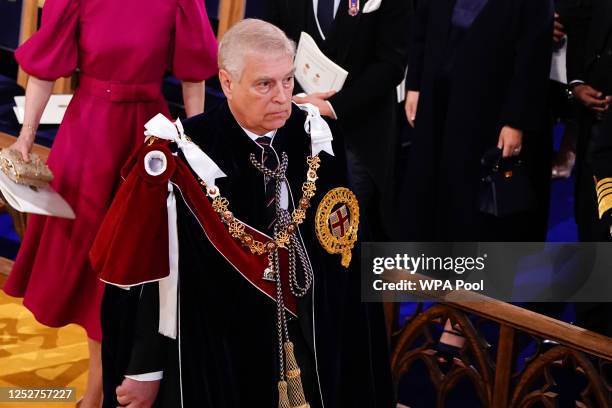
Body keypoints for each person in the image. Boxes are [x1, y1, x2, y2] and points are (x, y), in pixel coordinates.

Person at [91, 19, 394, 408]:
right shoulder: (183, 155)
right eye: (264, 84)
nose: (283, 98)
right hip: (222, 355)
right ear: (228, 82)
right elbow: (151, 276)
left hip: (309, 346)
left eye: (288, 81)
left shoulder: (316, 136)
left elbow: (344, 255)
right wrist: (145, 368)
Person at [1, 0, 218, 405]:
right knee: (87, 272)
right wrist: (26, 138)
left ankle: (98, 392)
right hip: (88, 138)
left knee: (128, 266)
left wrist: (193, 148)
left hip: (146, 142)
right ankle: (98, 390)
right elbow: (44, 70)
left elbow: (194, 76)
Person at [403, 0, 553, 241]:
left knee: (473, 201)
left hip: (490, 111)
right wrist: (414, 85)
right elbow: (422, 24)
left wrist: (516, 121)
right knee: (431, 190)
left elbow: (533, 55)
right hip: (437, 101)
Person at [264, 0, 410, 241]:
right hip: (292, 118)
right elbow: (270, 39)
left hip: (358, 133)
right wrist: (294, 96)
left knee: (344, 235)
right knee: (289, 225)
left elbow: (392, 64)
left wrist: (332, 106)